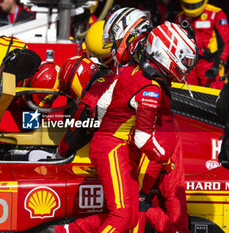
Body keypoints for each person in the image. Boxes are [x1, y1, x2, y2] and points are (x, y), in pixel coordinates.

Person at [48, 16, 198, 233]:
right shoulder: (146, 83)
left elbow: (95, 114)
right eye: (185, 61)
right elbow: (138, 134)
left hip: (136, 145)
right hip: (140, 144)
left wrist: (61, 152)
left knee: (132, 212)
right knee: (133, 213)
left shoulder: (128, 74)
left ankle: (65, 231)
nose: (185, 69)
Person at [175, 0, 229, 89]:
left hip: (210, 64)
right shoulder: (180, 17)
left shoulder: (215, 14)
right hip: (188, 65)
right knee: (187, 93)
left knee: (212, 95)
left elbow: (225, 43)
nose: (191, 8)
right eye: (188, 5)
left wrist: (218, 63)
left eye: (195, 5)